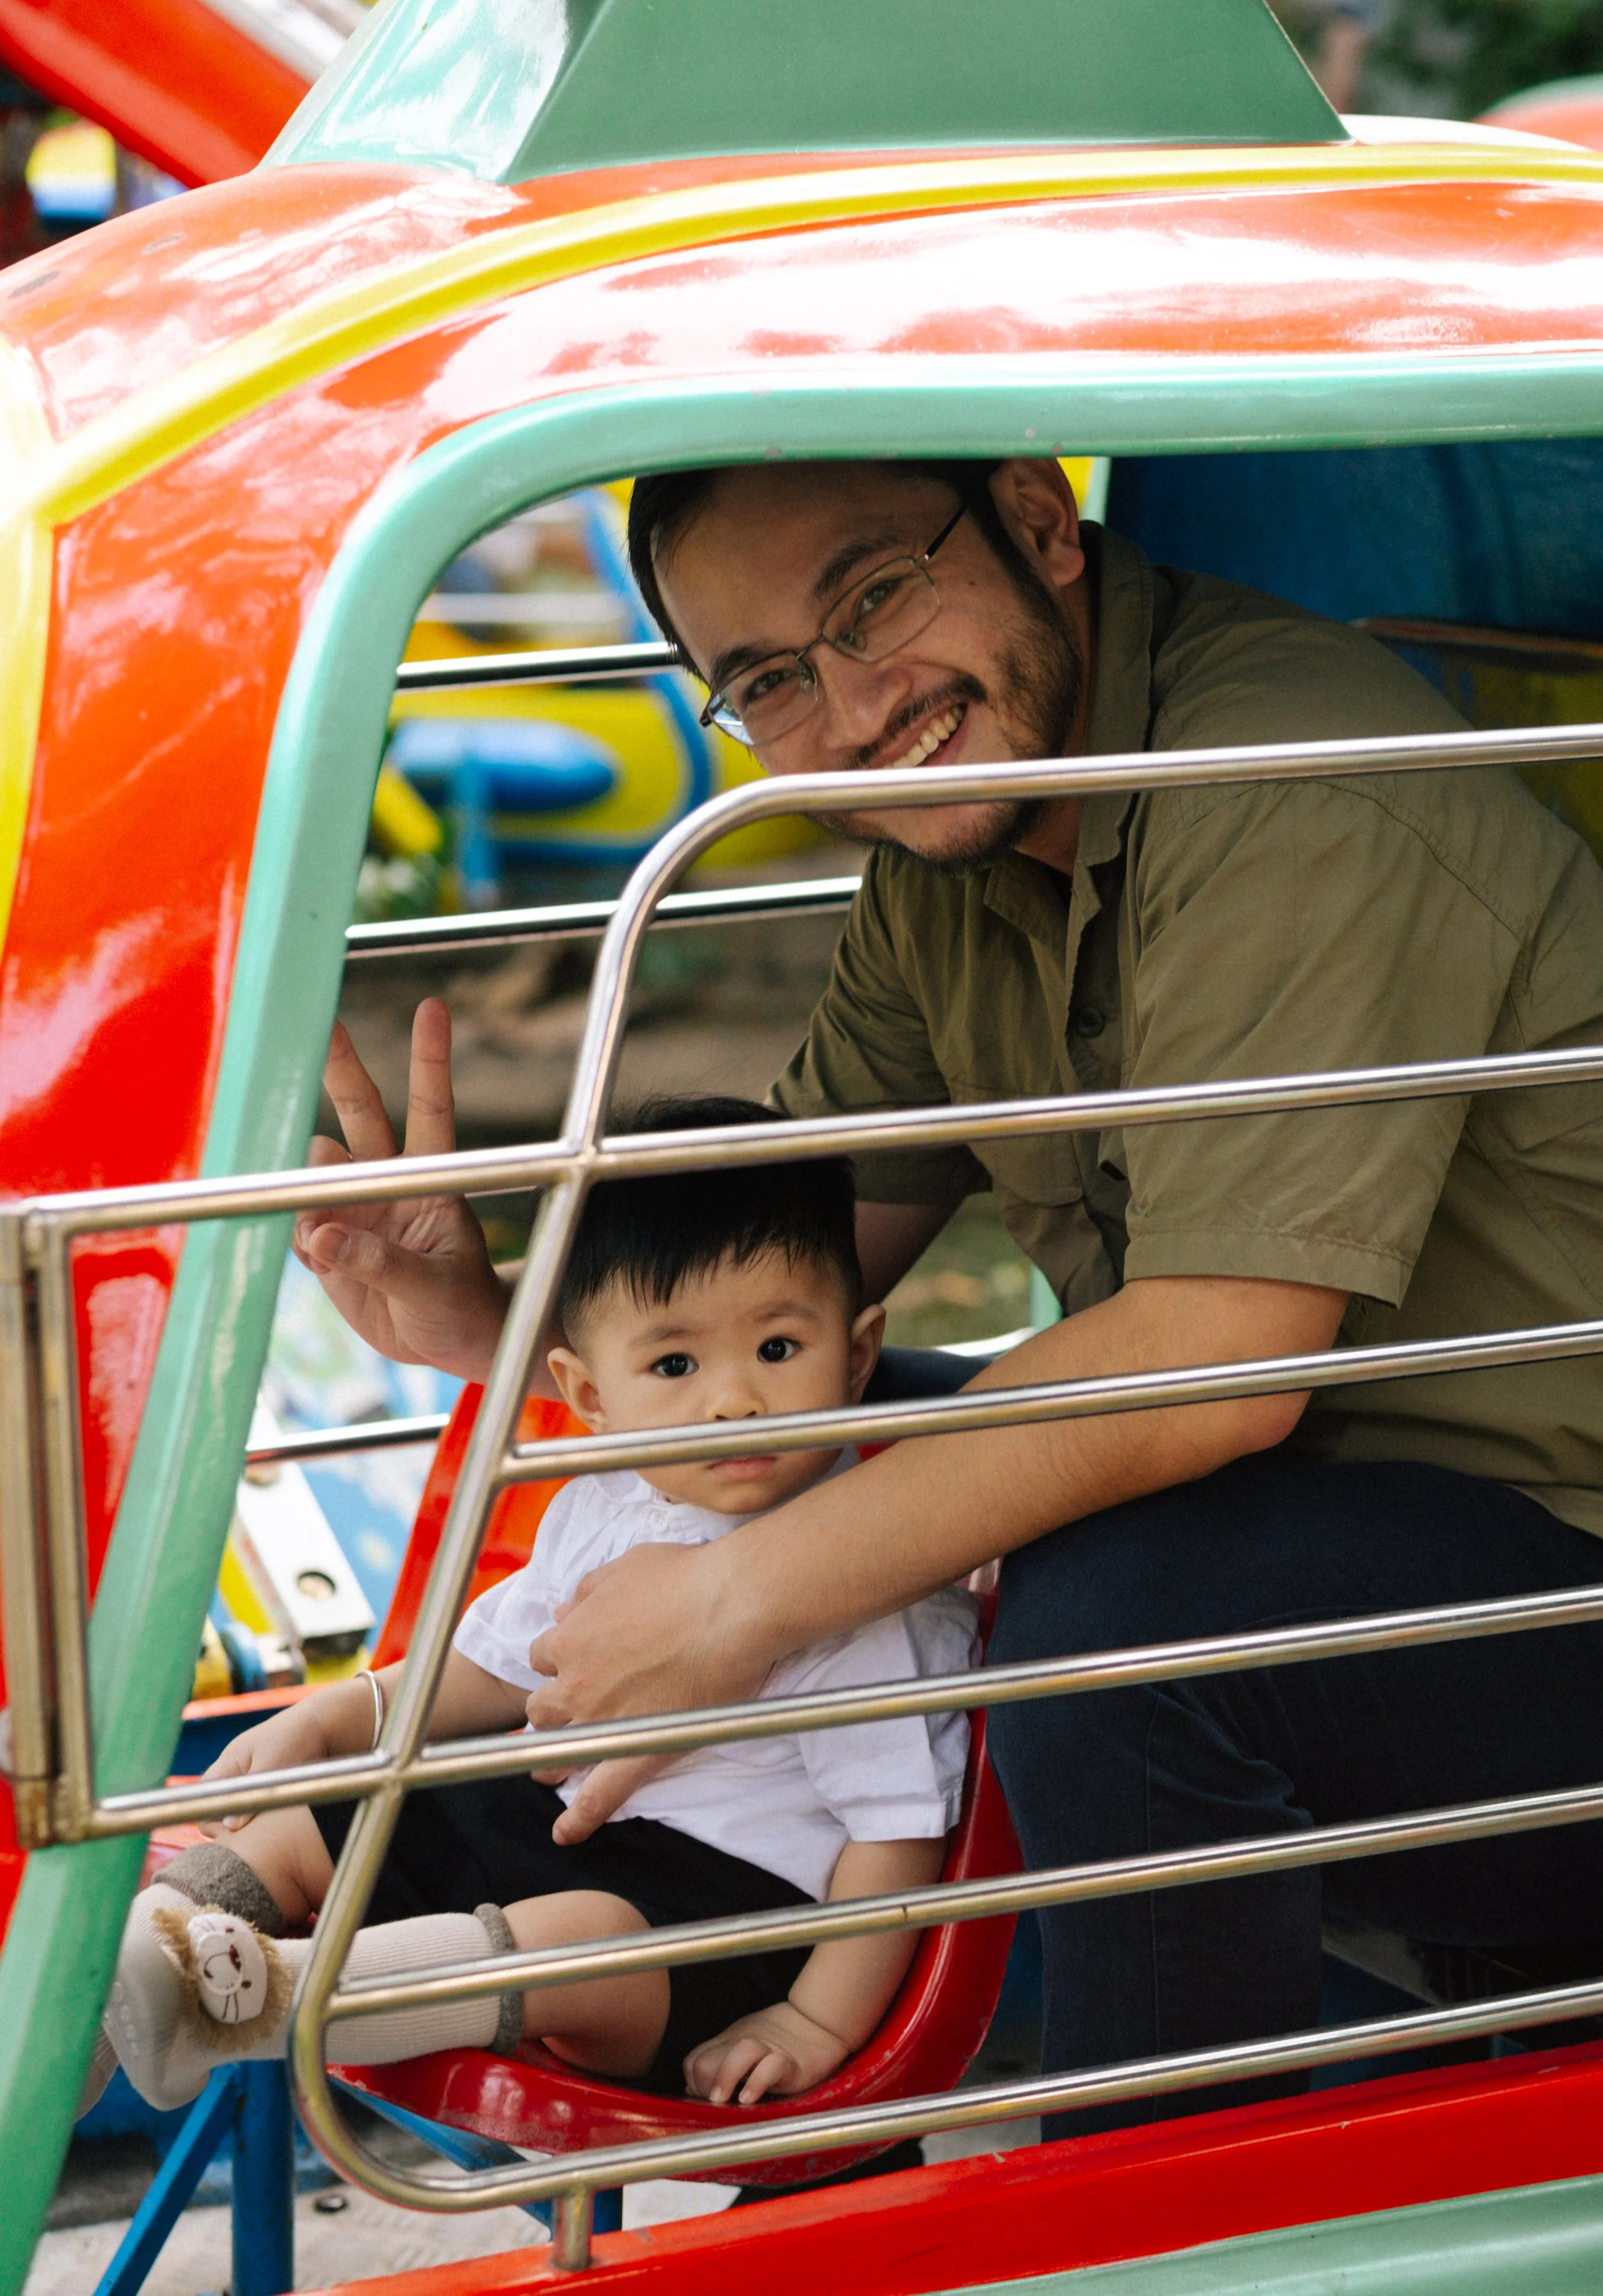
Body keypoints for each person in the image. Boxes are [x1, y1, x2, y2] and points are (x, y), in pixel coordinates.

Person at [296, 457, 1603, 2137]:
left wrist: (741, 1597)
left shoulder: (1289, 781)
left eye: (872, 597)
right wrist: (496, 1323)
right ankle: (693, 1946)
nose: (851, 704)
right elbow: (784, 1277)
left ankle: (1150, 2214)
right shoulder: (955, 846)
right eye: (769, 677)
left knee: (1113, 1619)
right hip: (1350, 1536)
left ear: (1040, 527)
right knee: (781, 1434)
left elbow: (1218, 1361)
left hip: (1545, 1583)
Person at [98, 1098, 975, 2114]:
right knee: (317, 1816)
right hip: (562, 1829)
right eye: (676, 1365)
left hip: (726, 1927)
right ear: (588, 1394)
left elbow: (897, 1837)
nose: (734, 1398)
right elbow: (495, 1670)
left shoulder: (866, 1579)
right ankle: (129, 1978)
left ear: (859, 1353)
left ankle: (251, 2004)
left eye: (779, 1349)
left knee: (579, 1938)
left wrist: (813, 2019)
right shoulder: (601, 1508)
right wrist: (337, 1714)